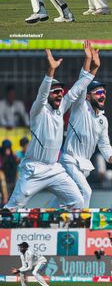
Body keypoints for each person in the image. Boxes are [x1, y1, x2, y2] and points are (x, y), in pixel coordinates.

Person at [5, 43, 99, 209]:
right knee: (12, 208)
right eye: (55, 91)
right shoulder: (38, 111)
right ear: (48, 94)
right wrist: (51, 71)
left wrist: (91, 63)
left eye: (61, 91)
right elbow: (42, 95)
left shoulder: (61, 107)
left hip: (54, 169)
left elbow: (78, 88)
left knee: (78, 202)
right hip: (33, 169)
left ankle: (56, 229)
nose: (60, 94)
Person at [60, 64, 112, 207]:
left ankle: (48, 224)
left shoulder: (103, 120)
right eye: (98, 92)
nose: (102, 95)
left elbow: (105, 145)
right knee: (86, 192)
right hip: (70, 161)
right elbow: (81, 84)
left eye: (104, 92)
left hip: (84, 165)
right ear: (87, 96)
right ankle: (81, 226)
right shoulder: (80, 107)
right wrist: (90, 64)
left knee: (64, 201)